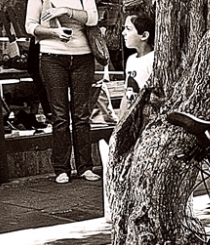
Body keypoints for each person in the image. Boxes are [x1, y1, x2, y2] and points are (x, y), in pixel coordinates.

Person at [25, 0, 101, 184]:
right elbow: (30, 26)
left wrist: (66, 11)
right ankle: (61, 168)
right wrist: (54, 32)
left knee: (81, 115)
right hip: (52, 56)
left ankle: (85, 167)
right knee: (60, 116)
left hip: (83, 56)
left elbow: (92, 18)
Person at [119, 11, 155, 118]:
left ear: (144, 35)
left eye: (128, 29)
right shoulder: (131, 60)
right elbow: (126, 94)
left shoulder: (152, 59)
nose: (123, 33)